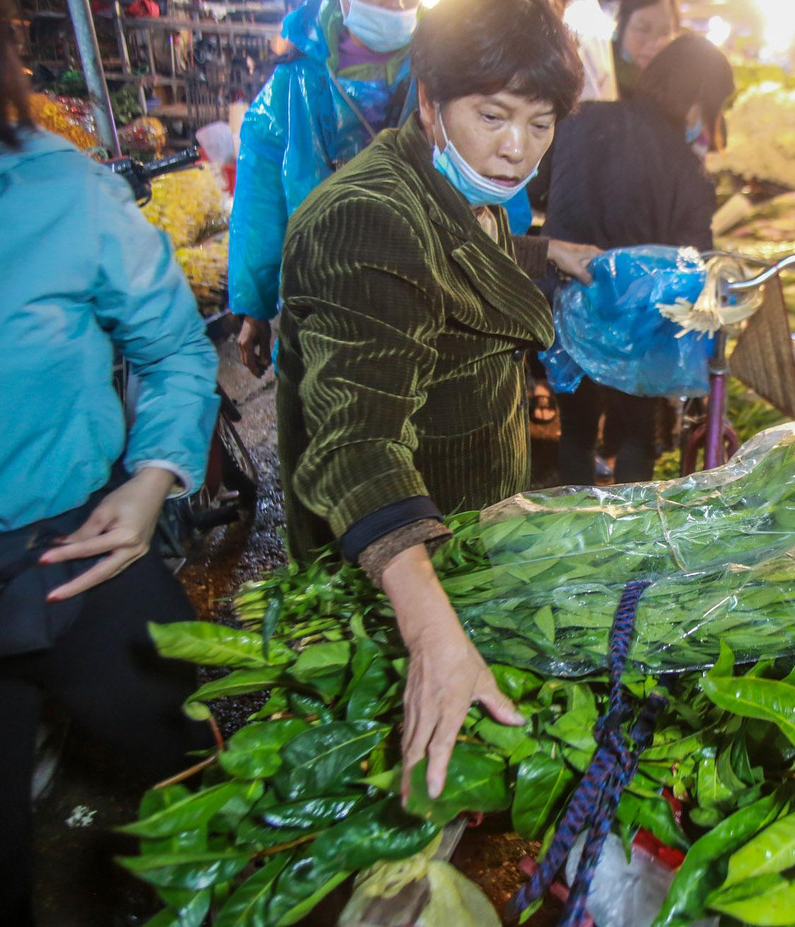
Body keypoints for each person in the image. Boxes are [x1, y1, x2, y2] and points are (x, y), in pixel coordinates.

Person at [0, 0, 220, 922]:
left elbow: (174, 349)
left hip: (83, 548)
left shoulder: (59, 188)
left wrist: (151, 481)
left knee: (200, 758)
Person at [276, 0, 598, 807]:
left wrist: (545, 251)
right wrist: (428, 630)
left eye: (540, 123)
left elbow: (462, 257)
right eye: (492, 115)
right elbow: (357, 444)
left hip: (470, 535)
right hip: (400, 575)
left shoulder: (466, 187)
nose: (516, 147)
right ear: (429, 102)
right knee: (400, 777)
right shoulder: (365, 219)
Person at [540, 34, 734, 485]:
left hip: (566, 305)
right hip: (641, 327)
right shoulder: (687, 168)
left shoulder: (580, 119)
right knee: (636, 436)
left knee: (575, 434)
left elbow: (535, 188)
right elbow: (695, 261)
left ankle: (573, 519)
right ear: (699, 100)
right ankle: (632, 527)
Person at [229, 0, 421, 378]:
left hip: (419, 305)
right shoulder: (294, 79)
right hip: (318, 303)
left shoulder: (449, 62)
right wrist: (255, 307)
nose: (397, 4)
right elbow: (261, 197)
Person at [612, 0, 678, 98]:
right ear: (621, 26)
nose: (654, 43)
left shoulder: (680, 88)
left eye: (665, 33)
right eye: (642, 29)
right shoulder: (601, 79)